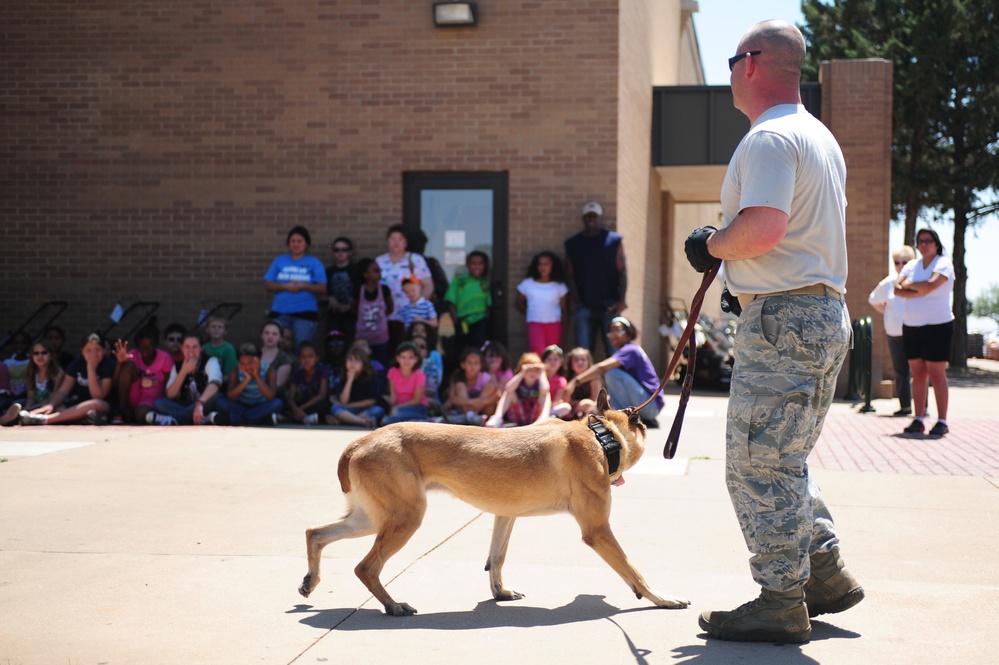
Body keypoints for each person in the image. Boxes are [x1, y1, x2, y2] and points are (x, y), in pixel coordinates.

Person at [681, 20, 862, 643]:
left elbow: (762, 229)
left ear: (752, 63)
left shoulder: (768, 138)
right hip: (819, 313)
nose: (729, 71)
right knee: (784, 457)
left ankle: (781, 598)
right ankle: (825, 573)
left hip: (784, 317)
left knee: (756, 463)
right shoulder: (817, 137)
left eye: (733, 60)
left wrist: (710, 245)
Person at [894, 228, 955, 436]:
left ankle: (942, 421)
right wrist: (917, 289)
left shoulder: (943, 263)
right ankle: (918, 419)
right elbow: (896, 289)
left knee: (937, 374)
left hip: (938, 326)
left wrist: (911, 287)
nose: (924, 244)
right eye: (920, 241)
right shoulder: (911, 265)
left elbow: (931, 285)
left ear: (936, 243)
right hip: (911, 327)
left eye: (928, 240)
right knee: (917, 374)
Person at [562, 317, 663, 426]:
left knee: (612, 372)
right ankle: (626, 415)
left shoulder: (630, 350)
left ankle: (619, 418)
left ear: (628, 334)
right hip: (648, 404)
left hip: (651, 405)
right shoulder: (626, 351)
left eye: (618, 330)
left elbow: (601, 367)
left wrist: (575, 381)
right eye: (611, 331)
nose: (614, 335)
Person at [3, 331, 115, 426]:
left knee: (95, 404)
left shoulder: (108, 365)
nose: (93, 355)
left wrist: (91, 369)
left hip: (104, 405)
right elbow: (62, 391)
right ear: (82, 351)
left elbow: (98, 395)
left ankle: (43, 420)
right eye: (88, 351)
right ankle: (22, 417)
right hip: (78, 404)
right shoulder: (77, 364)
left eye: (97, 350)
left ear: (104, 350)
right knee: (58, 406)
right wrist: (51, 405)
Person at [564, 201, 627, 358]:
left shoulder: (613, 241)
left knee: (615, 353)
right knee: (583, 355)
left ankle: (614, 383)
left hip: (610, 305)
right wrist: (578, 301)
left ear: (600, 218)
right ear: (583, 218)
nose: (591, 219)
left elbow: (623, 271)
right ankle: (585, 383)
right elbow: (569, 275)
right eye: (588, 216)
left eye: (594, 216)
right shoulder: (573, 244)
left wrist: (621, 299)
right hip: (585, 306)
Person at [868, 245, 917, 417]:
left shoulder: (919, 281)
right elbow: (873, 300)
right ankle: (905, 407)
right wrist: (887, 311)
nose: (901, 266)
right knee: (900, 370)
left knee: (919, 371)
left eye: (905, 262)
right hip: (895, 333)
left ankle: (921, 408)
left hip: (916, 332)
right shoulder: (888, 283)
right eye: (897, 262)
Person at [263, 225, 328, 351]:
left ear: (307, 244)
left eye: (300, 241)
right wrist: (285, 286)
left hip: (305, 314)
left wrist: (304, 286)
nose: (296, 244)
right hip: (280, 313)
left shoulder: (314, 262)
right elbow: (268, 285)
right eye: (293, 241)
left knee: (301, 348)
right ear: (288, 243)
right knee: (277, 348)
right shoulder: (279, 261)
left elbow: (322, 288)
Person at [376, 224, 433, 352]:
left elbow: (428, 285)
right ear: (387, 241)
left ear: (405, 242)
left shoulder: (415, 260)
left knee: (408, 351)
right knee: (387, 352)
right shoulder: (379, 262)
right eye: (393, 238)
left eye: (400, 239)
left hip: (408, 317)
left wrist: (417, 306)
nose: (396, 242)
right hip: (385, 317)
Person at [153, 331, 223, 425]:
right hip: (187, 405)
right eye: (187, 347)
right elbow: (170, 395)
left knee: (216, 397)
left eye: (195, 347)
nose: (191, 351)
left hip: (204, 403)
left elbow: (215, 383)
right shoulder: (177, 367)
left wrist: (200, 403)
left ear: (201, 348)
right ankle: (201, 419)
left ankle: (175, 419)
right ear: (182, 348)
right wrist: (183, 371)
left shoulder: (210, 361)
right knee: (159, 403)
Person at [114, 323, 176, 426]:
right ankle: (123, 409)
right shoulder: (132, 355)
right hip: (131, 401)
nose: (146, 350)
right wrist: (120, 363)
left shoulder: (165, 358)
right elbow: (115, 382)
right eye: (143, 346)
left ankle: (161, 418)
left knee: (141, 415)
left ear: (155, 344)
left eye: (150, 346)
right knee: (128, 366)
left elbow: (169, 386)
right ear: (138, 345)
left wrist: (164, 405)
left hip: (151, 403)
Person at [210, 342, 284, 426]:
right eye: (243, 364)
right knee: (220, 402)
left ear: (259, 359)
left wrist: (257, 376)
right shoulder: (235, 370)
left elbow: (270, 396)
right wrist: (247, 379)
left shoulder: (269, 370)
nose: (248, 367)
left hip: (261, 405)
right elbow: (230, 395)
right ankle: (258, 419)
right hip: (240, 405)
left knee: (277, 403)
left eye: (251, 363)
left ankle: (233, 419)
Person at [516, 251, 569, 355]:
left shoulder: (559, 285)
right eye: (540, 264)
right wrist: (532, 311)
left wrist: (564, 331)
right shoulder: (528, 283)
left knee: (553, 354)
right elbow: (519, 303)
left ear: (553, 266)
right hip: (535, 323)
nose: (542, 267)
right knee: (537, 351)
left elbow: (565, 311)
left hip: (554, 324)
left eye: (546, 264)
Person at [486, 352, 551, 428]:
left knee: (546, 394)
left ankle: (544, 419)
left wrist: (542, 372)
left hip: (536, 416)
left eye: (536, 370)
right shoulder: (519, 381)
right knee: (509, 393)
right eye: (529, 369)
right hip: (520, 414)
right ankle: (497, 418)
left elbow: (545, 390)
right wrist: (522, 372)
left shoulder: (540, 382)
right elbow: (508, 388)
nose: (532, 372)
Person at [444, 250, 492, 352]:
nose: (477, 267)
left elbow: (488, 305)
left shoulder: (485, 283)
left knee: (478, 348)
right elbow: (451, 302)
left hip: (480, 321)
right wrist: (456, 321)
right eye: (473, 264)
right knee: (462, 348)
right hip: (463, 321)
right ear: (467, 265)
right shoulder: (459, 281)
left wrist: (485, 321)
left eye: (480, 264)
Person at [328, 347, 385, 427]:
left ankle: (346, 420)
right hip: (349, 411)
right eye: (350, 359)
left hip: (365, 410)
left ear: (364, 364)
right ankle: (362, 422)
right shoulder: (344, 376)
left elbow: (371, 401)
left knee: (378, 410)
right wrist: (349, 380)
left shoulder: (372, 376)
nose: (353, 363)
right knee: (335, 408)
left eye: (357, 360)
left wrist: (348, 406)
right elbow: (343, 401)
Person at [441, 346, 498, 425]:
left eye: (476, 363)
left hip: (481, 408)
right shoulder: (457, 377)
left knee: (490, 388)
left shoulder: (485, 377)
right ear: (463, 365)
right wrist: (472, 402)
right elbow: (453, 398)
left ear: (480, 365)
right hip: (465, 408)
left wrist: (481, 402)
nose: (472, 366)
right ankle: (470, 416)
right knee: (459, 386)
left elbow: (497, 394)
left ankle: (482, 420)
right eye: (470, 363)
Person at [354, 257, 394, 367]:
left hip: (380, 338)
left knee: (380, 365)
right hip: (362, 336)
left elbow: (390, 308)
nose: (379, 273)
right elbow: (354, 309)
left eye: (379, 270)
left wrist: (380, 317)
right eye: (376, 270)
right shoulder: (358, 290)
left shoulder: (384, 289)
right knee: (362, 364)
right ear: (366, 274)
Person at [16, 340, 66, 424]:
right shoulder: (31, 373)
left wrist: (30, 409)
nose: (40, 356)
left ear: (52, 355)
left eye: (44, 353)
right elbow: (30, 398)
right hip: (35, 405)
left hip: (50, 406)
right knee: (18, 404)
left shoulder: (57, 374)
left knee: (61, 409)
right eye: (36, 353)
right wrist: (28, 407)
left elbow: (52, 400)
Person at [381, 340, 430, 425]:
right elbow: (393, 397)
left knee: (397, 413)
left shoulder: (419, 375)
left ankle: (424, 420)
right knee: (385, 420)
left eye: (410, 357)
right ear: (398, 358)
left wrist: (398, 408)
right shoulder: (392, 372)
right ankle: (418, 422)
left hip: (417, 408)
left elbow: (417, 400)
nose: (406, 361)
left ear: (416, 359)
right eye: (403, 357)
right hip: (399, 409)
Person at [284, 341, 330, 425]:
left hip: (313, 404)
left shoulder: (322, 372)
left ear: (317, 358)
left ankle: (298, 417)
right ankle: (302, 417)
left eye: (310, 356)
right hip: (302, 402)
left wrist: (301, 409)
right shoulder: (297, 374)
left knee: (323, 405)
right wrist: (296, 409)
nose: (307, 360)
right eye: (303, 357)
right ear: (299, 359)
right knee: (283, 404)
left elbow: (322, 395)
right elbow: (291, 398)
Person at [325, 235, 359, 345]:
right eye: (336, 249)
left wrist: (350, 306)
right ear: (333, 252)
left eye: (344, 249)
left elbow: (363, 293)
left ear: (350, 252)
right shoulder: (328, 272)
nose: (340, 252)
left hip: (353, 318)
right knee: (332, 346)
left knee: (351, 347)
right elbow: (319, 294)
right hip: (333, 317)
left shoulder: (357, 270)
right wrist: (329, 298)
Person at [552, 346, 601, 420]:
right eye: (576, 360)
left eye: (583, 360)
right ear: (570, 363)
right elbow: (565, 398)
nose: (580, 362)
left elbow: (595, 399)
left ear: (588, 362)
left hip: (587, 409)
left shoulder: (594, 378)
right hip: (568, 409)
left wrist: (576, 404)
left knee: (586, 403)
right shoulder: (566, 377)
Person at [259, 319, 294, 394]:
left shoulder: (284, 359)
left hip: (273, 397)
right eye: (267, 333)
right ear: (261, 335)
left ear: (280, 338)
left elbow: (277, 384)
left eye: (274, 334)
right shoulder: (253, 353)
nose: (270, 336)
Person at [3, 330, 32, 402]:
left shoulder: (32, 363)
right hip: (8, 397)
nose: (19, 346)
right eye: (16, 343)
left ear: (29, 345)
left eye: (23, 344)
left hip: (26, 397)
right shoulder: (7, 363)